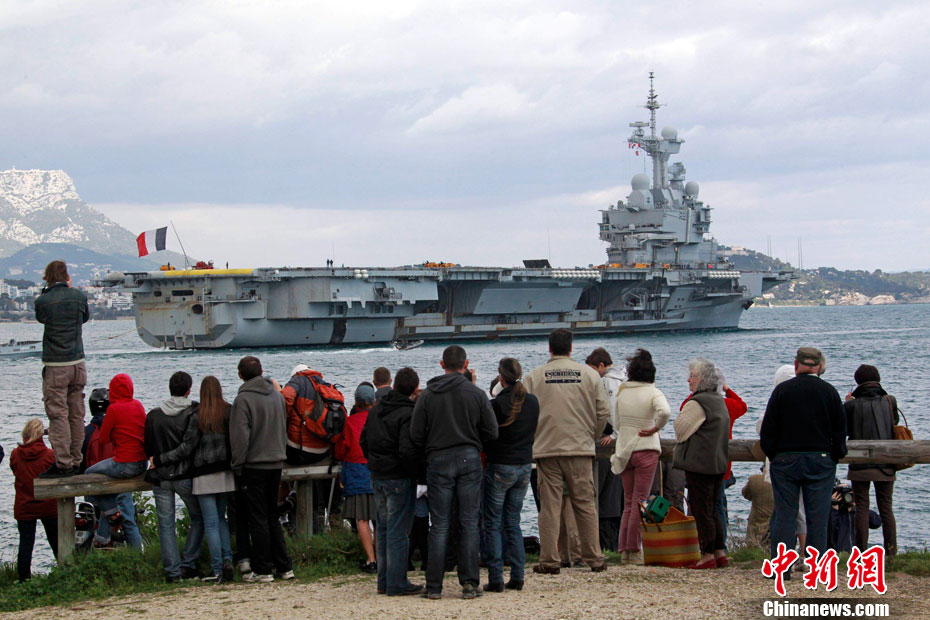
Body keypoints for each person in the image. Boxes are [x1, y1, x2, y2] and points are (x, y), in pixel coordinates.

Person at [410, 345, 498, 600]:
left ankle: (434, 585)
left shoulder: (427, 395)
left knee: (439, 524)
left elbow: (416, 434)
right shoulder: (477, 393)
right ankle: (470, 584)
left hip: (437, 460)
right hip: (469, 458)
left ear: (441, 364)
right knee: (469, 522)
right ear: (466, 364)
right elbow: (492, 432)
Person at [523, 328, 609, 575]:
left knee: (549, 507)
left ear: (549, 348)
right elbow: (603, 412)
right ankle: (594, 557)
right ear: (571, 348)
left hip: (546, 450)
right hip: (580, 448)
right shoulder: (590, 375)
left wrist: (536, 437)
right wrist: (592, 434)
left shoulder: (534, 377)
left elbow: (525, 412)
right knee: (585, 504)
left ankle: (550, 560)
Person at [761, 347, 847, 577]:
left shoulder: (782, 391)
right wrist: (834, 456)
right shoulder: (829, 391)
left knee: (785, 514)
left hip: (786, 459)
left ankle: (781, 568)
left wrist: (774, 455)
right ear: (819, 367)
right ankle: (817, 569)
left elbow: (768, 431)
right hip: (820, 459)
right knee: (817, 517)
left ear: (796, 364)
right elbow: (840, 432)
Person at [360, 367, 424, 596]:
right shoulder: (408, 413)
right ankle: (397, 582)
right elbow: (407, 450)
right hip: (399, 476)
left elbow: (364, 439)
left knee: (384, 529)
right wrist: (415, 471)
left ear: (394, 385)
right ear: (415, 389)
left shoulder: (376, 410)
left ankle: (384, 580)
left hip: (377, 474)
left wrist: (374, 461)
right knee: (398, 531)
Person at [230, 356, 294, 583]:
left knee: (257, 518)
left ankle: (264, 568)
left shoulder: (243, 399)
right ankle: (285, 566)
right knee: (272, 515)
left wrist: (238, 463)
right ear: (261, 371)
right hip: (276, 462)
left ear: (240, 375)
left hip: (253, 465)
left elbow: (240, 437)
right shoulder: (277, 396)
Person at [482, 357, 539, 592]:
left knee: (493, 523)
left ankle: (495, 578)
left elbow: (487, 436)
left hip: (500, 466)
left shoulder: (495, 405)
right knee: (513, 522)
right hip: (524, 466)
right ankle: (517, 576)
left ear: (501, 377)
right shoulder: (533, 402)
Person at [144, 371, 206, 582]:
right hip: (185, 474)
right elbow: (190, 446)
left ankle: (172, 571)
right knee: (199, 517)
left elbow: (148, 446)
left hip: (161, 477)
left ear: (170, 388)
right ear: (189, 390)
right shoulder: (193, 412)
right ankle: (188, 562)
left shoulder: (153, 415)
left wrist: (157, 460)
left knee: (166, 524)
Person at [610, 349, 670, 565]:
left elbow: (616, 423)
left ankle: (623, 549)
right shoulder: (654, 393)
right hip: (646, 448)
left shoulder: (622, 392)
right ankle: (634, 549)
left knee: (628, 502)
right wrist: (654, 428)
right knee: (640, 501)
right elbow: (664, 412)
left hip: (624, 449)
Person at [35, 260, 90, 479]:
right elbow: (84, 318)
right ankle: (77, 460)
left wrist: (46, 292)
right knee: (77, 415)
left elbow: (41, 318)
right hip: (78, 363)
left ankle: (64, 464)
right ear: (67, 276)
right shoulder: (79, 296)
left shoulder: (43, 301)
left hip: (56, 365)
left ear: (47, 277)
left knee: (58, 416)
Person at [673, 358, 729, 569]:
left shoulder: (698, 403)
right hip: (717, 462)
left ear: (701, 379)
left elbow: (680, 430)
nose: (688, 380)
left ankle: (706, 554)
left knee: (700, 509)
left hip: (699, 463)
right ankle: (719, 551)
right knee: (714, 507)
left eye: (692, 376)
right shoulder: (718, 400)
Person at [843, 364, 898, 555]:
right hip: (886, 461)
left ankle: (859, 552)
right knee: (886, 507)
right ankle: (891, 553)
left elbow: (846, 430)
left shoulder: (851, 405)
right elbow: (895, 424)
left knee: (861, 506)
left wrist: (848, 403)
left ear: (858, 382)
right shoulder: (889, 401)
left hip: (859, 462)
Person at [85, 373, 148, 540]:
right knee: (130, 521)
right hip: (142, 463)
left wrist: (117, 434)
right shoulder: (138, 405)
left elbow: (104, 439)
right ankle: (137, 557)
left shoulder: (113, 409)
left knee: (89, 475)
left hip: (124, 464)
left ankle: (111, 512)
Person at [188, 376, 236, 583]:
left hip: (203, 473)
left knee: (210, 523)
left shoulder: (197, 415)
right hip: (225, 472)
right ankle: (227, 559)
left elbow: (189, 445)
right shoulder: (228, 411)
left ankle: (217, 568)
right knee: (221, 518)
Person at [585, 347, 626, 553]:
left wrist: (613, 435)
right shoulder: (623, 376)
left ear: (601, 365)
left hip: (612, 437)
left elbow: (610, 409)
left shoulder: (609, 381)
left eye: (593, 368)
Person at [337, 383, 379, 573]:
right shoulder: (379, 419)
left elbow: (341, 449)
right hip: (377, 471)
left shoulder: (351, 421)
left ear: (356, 402)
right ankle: (382, 557)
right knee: (379, 519)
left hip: (356, 471)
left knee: (362, 519)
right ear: (374, 401)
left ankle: (371, 560)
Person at [10, 419, 58, 581]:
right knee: (56, 542)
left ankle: (24, 579)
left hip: (25, 504)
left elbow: (14, 469)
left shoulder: (16, 454)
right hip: (48, 504)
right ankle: (65, 571)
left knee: (26, 544)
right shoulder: (49, 455)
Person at [741, 465, 774, 549]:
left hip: (756, 520)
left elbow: (745, 494)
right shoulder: (781, 480)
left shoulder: (754, 479)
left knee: (753, 544)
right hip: (773, 520)